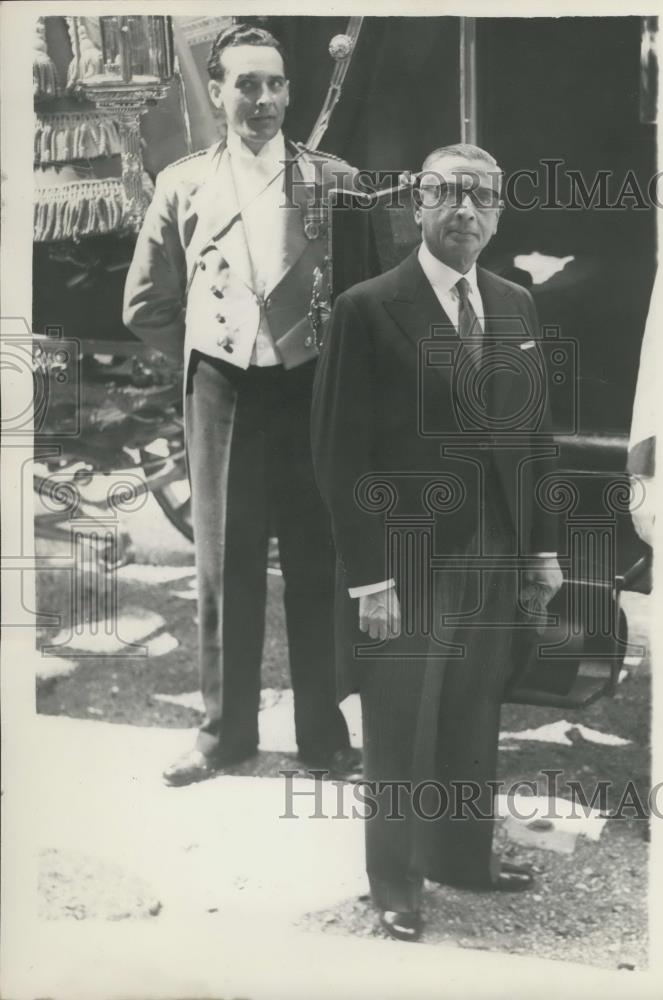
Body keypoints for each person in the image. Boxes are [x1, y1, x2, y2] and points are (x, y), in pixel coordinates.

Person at [311, 143, 563, 941]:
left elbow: (535, 438)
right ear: (417, 206)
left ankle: (460, 856)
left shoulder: (516, 303)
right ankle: (396, 880)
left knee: (470, 710)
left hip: (494, 547)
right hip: (410, 554)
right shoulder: (367, 307)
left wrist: (542, 549)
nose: (466, 211)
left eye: (482, 197)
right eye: (448, 195)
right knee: (400, 720)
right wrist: (370, 580)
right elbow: (338, 454)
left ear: (498, 213)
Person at [123, 24, 361, 786]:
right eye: (246, 85)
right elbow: (144, 303)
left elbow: (367, 298)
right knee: (224, 566)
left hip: (312, 389)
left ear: (291, 91)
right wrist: (209, 356)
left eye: (276, 84)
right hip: (223, 389)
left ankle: (322, 735)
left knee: (316, 560)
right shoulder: (184, 182)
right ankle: (224, 734)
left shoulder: (337, 180)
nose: (262, 100)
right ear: (219, 92)